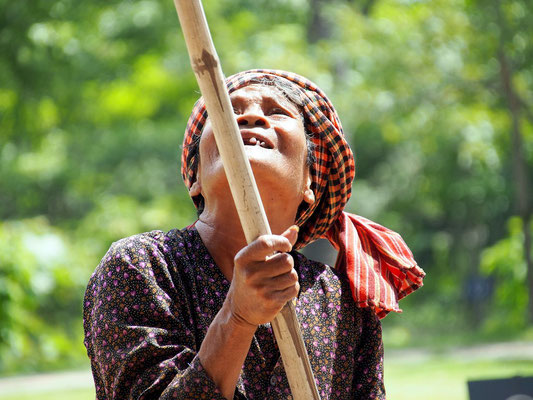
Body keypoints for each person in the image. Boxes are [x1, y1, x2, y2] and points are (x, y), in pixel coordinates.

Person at [83, 69, 425, 399]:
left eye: (276, 112)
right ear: (197, 177)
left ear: (310, 181)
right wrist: (238, 316)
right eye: (229, 111)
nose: (248, 119)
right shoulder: (142, 266)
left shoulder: (341, 302)